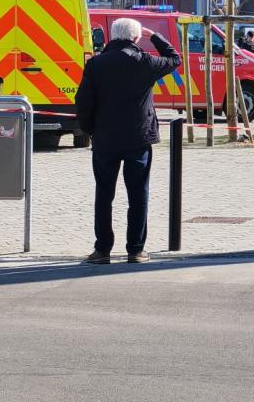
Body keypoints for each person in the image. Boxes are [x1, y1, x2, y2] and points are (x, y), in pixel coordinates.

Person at [76, 18, 181, 264]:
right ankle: (135, 249)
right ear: (136, 38)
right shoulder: (145, 62)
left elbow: (83, 102)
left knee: (104, 193)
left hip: (105, 139)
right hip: (137, 138)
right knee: (138, 194)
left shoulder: (96, 64)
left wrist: (90, 129)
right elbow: (174, 58)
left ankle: (102, 250)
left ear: (112, 37)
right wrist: (154, 35)